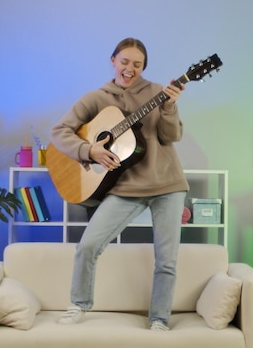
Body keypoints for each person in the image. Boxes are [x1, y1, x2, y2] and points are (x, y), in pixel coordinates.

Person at [49, 37, 189, 331]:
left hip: (167, 184)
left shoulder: (158, 93)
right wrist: (90, 151)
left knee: (167, 260)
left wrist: (170, 107)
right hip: (124, 187)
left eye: (137, 64)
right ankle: (79, 305)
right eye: (125, 62)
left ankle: (159, 319)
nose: (130, 69)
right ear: (113, 60)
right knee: (88, 246)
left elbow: (171, 136)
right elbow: (60, 131)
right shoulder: (97, 98)